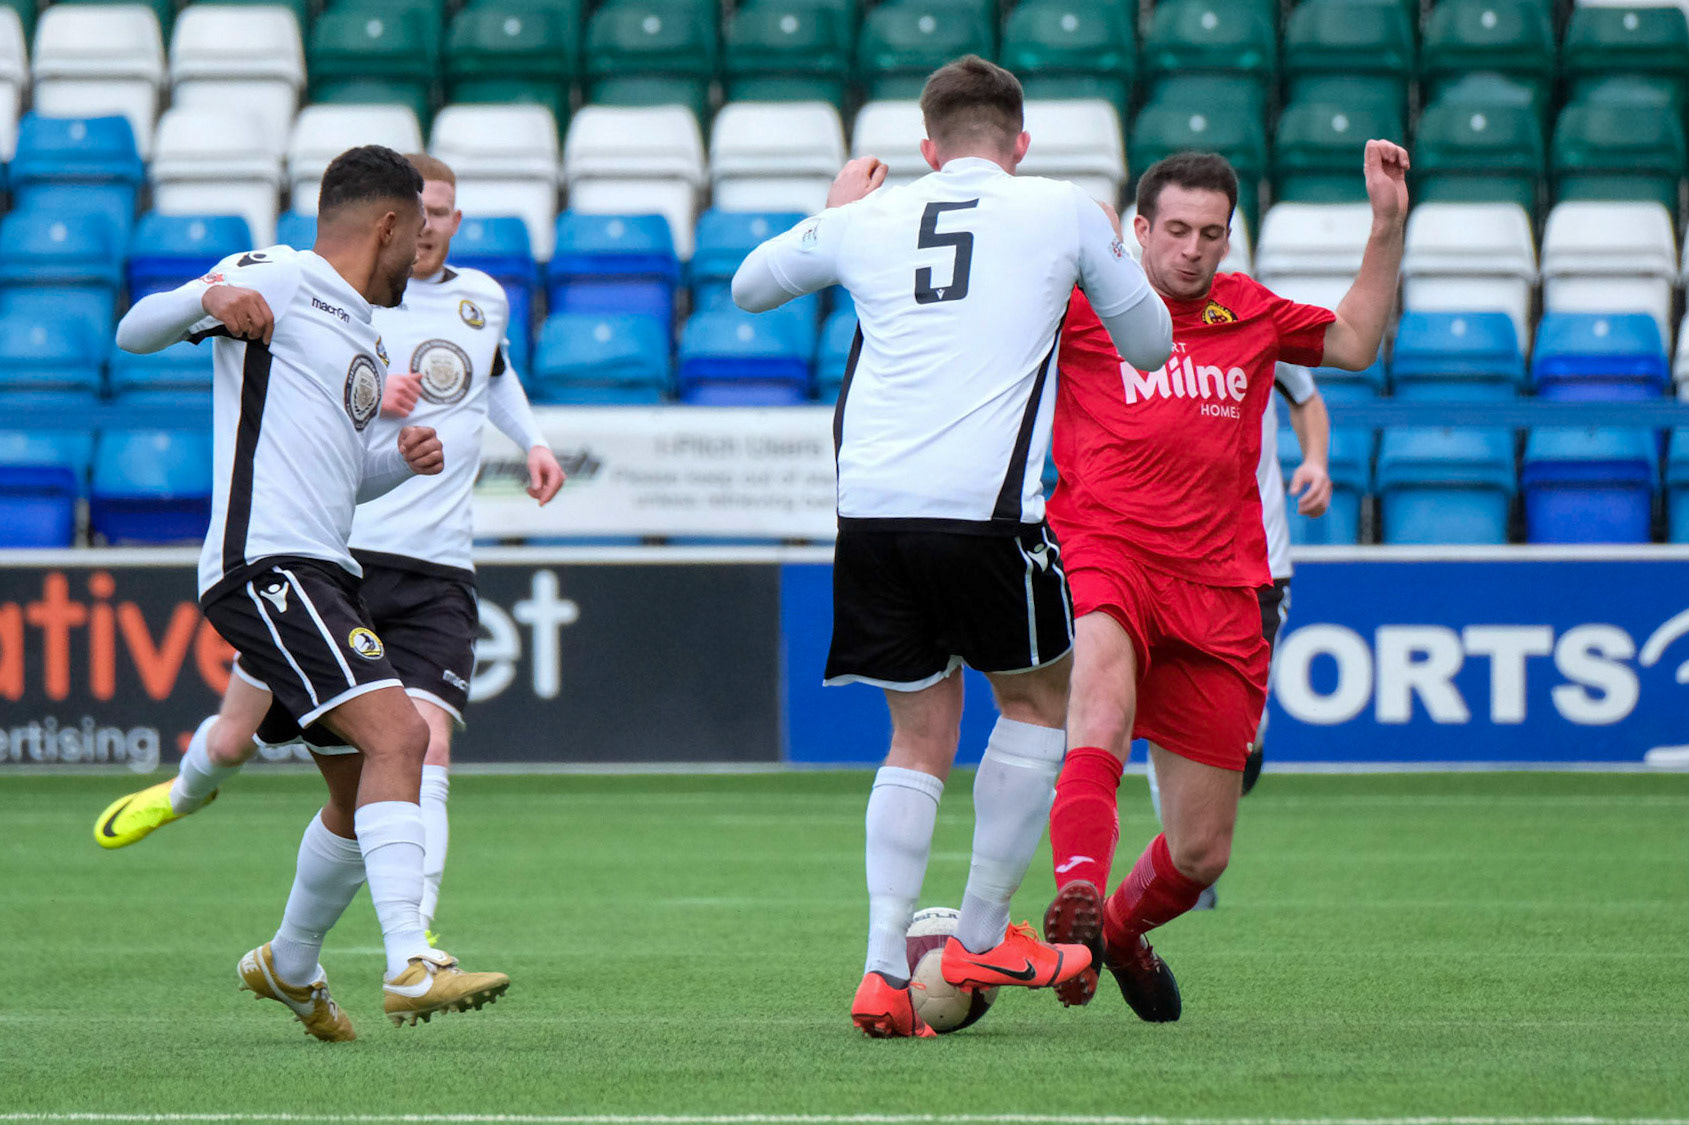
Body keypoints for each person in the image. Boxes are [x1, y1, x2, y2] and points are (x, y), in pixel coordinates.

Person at [732, 55, 1173, 1038]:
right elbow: (1149, 346)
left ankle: (881, 970)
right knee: (1038, 702)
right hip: (986, 514)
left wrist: (836, 212)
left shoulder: (869, 217)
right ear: (1020, 143)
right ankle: (976, 934)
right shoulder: (1061, 207)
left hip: (871, 516)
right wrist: (1102, 252)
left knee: (916, 736)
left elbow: (749, 285)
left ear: (927, 148)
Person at [94, 154, 564, 946]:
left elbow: (475, 389)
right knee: (250, 739)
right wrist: (206, 296)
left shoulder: (424, 313)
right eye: (419, 218)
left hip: (395, 565)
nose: (426, 236)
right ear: (392, 223)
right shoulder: (291, 279)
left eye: (442, 217)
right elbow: (136, 329)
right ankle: (187, 793)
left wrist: (424, 455)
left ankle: (361, 948)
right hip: (304, 564)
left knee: (398, 757)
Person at [1041, 144, 1407, 1019]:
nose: (1191, 249)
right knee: (1099, 708)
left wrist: (1387, 225)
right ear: (1139, 230)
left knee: (1201, 850)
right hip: (1105, 551)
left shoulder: (1247, 310)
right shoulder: (1079, 307)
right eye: (1175, 230)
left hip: (1220, 588)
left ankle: (1120, 929)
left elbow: (1353, 342)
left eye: (1210, 233)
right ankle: (1077, 903)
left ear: (1229, 236)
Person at [1144, 362, 1333, 910]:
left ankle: (1242, 758)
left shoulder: (1262, 325)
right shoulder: (1140, 329)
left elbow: (1305, 395)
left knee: (1241, 731)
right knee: (1170, 714)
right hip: (1171, 561)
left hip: (1259, 568)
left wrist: (1316, 462)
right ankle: (1186, 873)